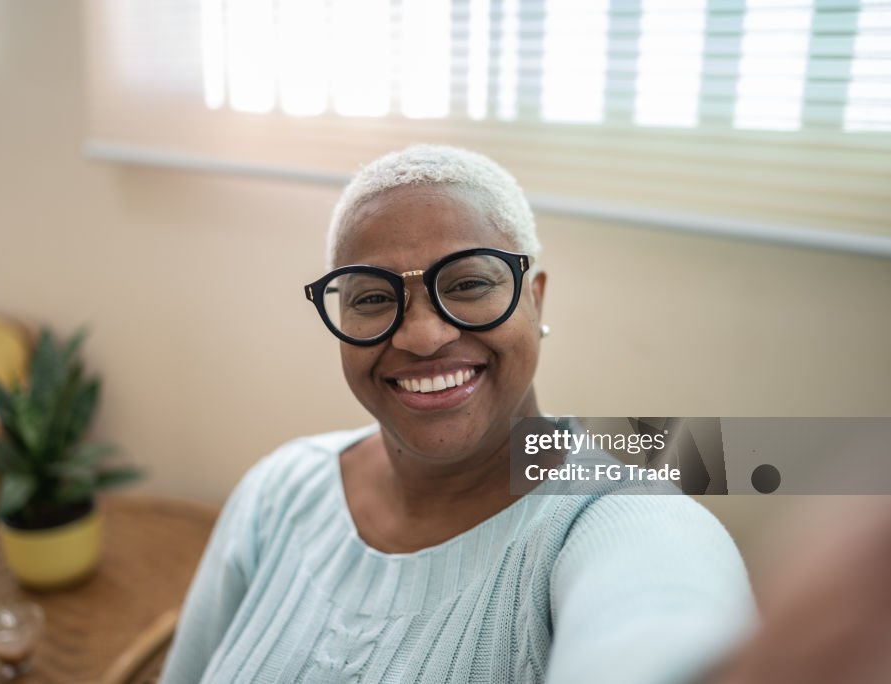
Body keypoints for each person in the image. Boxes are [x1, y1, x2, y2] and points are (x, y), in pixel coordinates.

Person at [161, 145, 754, 683]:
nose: (422, 337)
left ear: (535, 297)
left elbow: (662, 622)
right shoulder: (279, 490)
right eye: (372, 297)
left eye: (468, 284)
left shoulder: (615, 518)